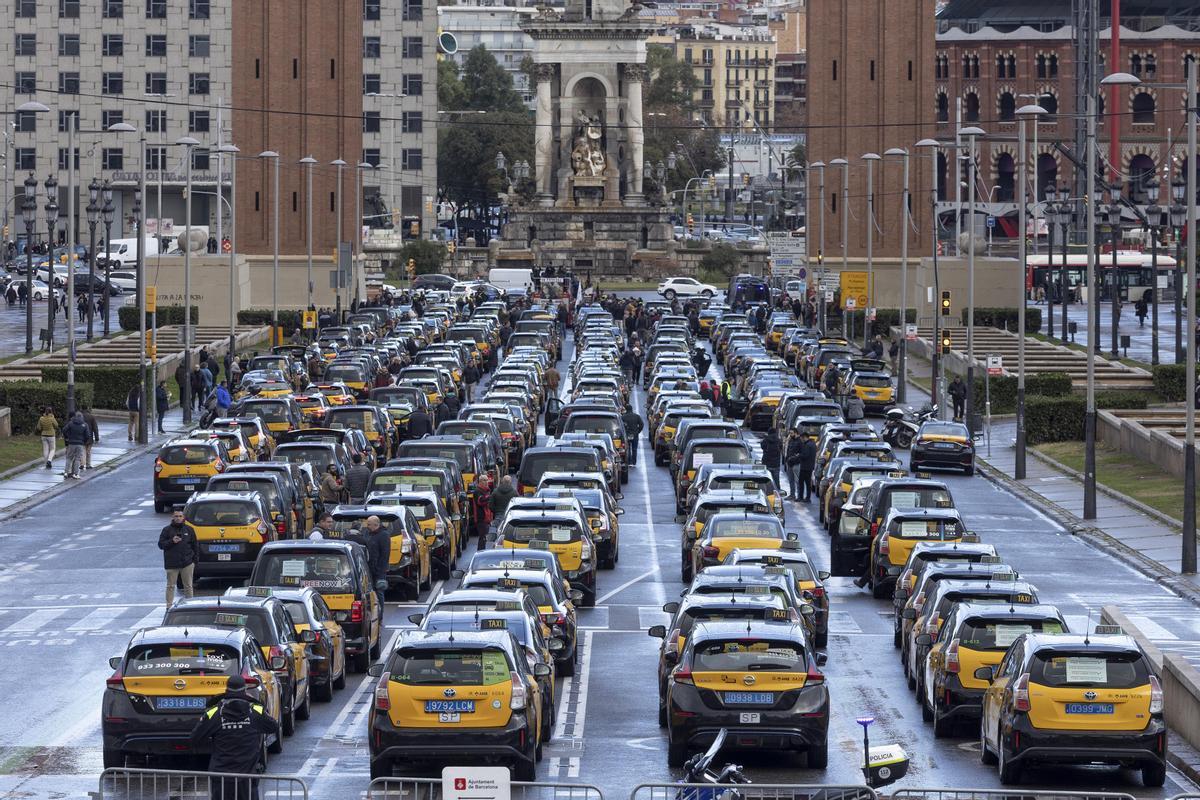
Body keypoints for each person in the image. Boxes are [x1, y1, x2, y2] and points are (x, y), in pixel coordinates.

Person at [189, 674, 280, 800]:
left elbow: (195, 738)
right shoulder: (254, 710)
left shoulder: (215, 712)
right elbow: (273, 726)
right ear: (245, 690)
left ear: (227, 689)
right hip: (247, 777)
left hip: (221, 777)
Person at [158, 507, 197, 605]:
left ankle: (190, 605)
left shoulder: (189, 529)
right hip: (172, 563)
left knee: (188, 586)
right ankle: (169, 606)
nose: (178, 518)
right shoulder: (166, 530)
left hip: (187, 563)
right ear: (172, 517)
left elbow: (195, 545)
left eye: (180, 516)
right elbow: (161, 545)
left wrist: (194, 561)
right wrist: (172, 541)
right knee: (170, 586)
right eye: (176, 516)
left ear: (183, 517)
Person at [362, 515, 391, 608]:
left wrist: (379, 569)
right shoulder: (368, 533)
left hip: (379, 570)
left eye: (369, 524)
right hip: (369, 568)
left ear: (376, 524)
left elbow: (385, 554)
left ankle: (380, 613)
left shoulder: (384, 535)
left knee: (379, 591)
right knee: (370, 592)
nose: (367, 526)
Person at [62, 411, 89, 479]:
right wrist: (84, 441)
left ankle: (66, 472)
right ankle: (76, 474)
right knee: (77, 459)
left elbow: (64, 430)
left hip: (71, 443)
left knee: (69, 458)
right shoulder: (85, 425)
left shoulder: (71, 423)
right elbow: (87, 435)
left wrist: (68, 437)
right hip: (80, 444)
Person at [796, 435, 817, 503]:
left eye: (802, 439)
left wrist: (799, 455)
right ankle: (808, 497)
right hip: (810, 467)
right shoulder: (813, 444)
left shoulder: (807, 445)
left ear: (804, 437)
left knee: (801, 482)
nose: (801, 440)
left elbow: (805, 455)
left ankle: (801, 497)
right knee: (808, 483)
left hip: (805, 467)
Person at [760, 428, 782, 493]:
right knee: (776, 480)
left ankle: (767, 493)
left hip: (767, 463)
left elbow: (762, 446)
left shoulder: (765, 440)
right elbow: (781, 448)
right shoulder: (779, 440)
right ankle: (777, 494)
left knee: (766, 481)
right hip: (776, 464)